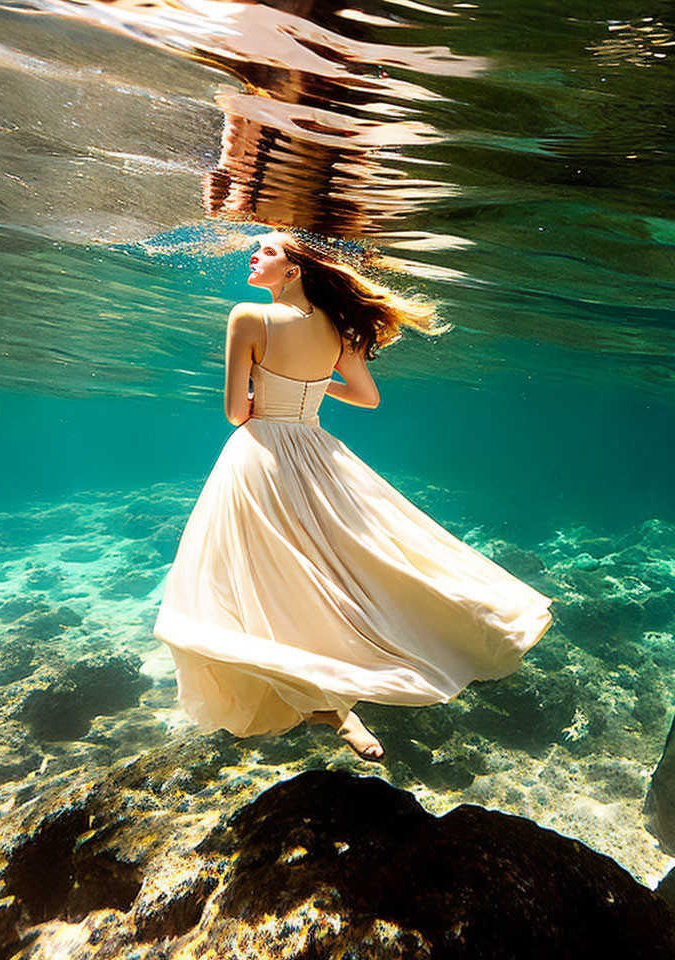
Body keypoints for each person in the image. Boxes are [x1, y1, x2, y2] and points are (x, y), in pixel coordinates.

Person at [152, 229, 554, 762]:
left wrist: (268, 385)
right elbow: (367, 396)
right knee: (344, 569)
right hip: (315, 453)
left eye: (267, 250)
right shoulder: (337, 329)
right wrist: (312, 386)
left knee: (252, 585)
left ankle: (330, 708)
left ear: (294, 270)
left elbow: (235, 412)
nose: (254, 253)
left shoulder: (246, 317)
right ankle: (350, 694)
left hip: (260, 456)